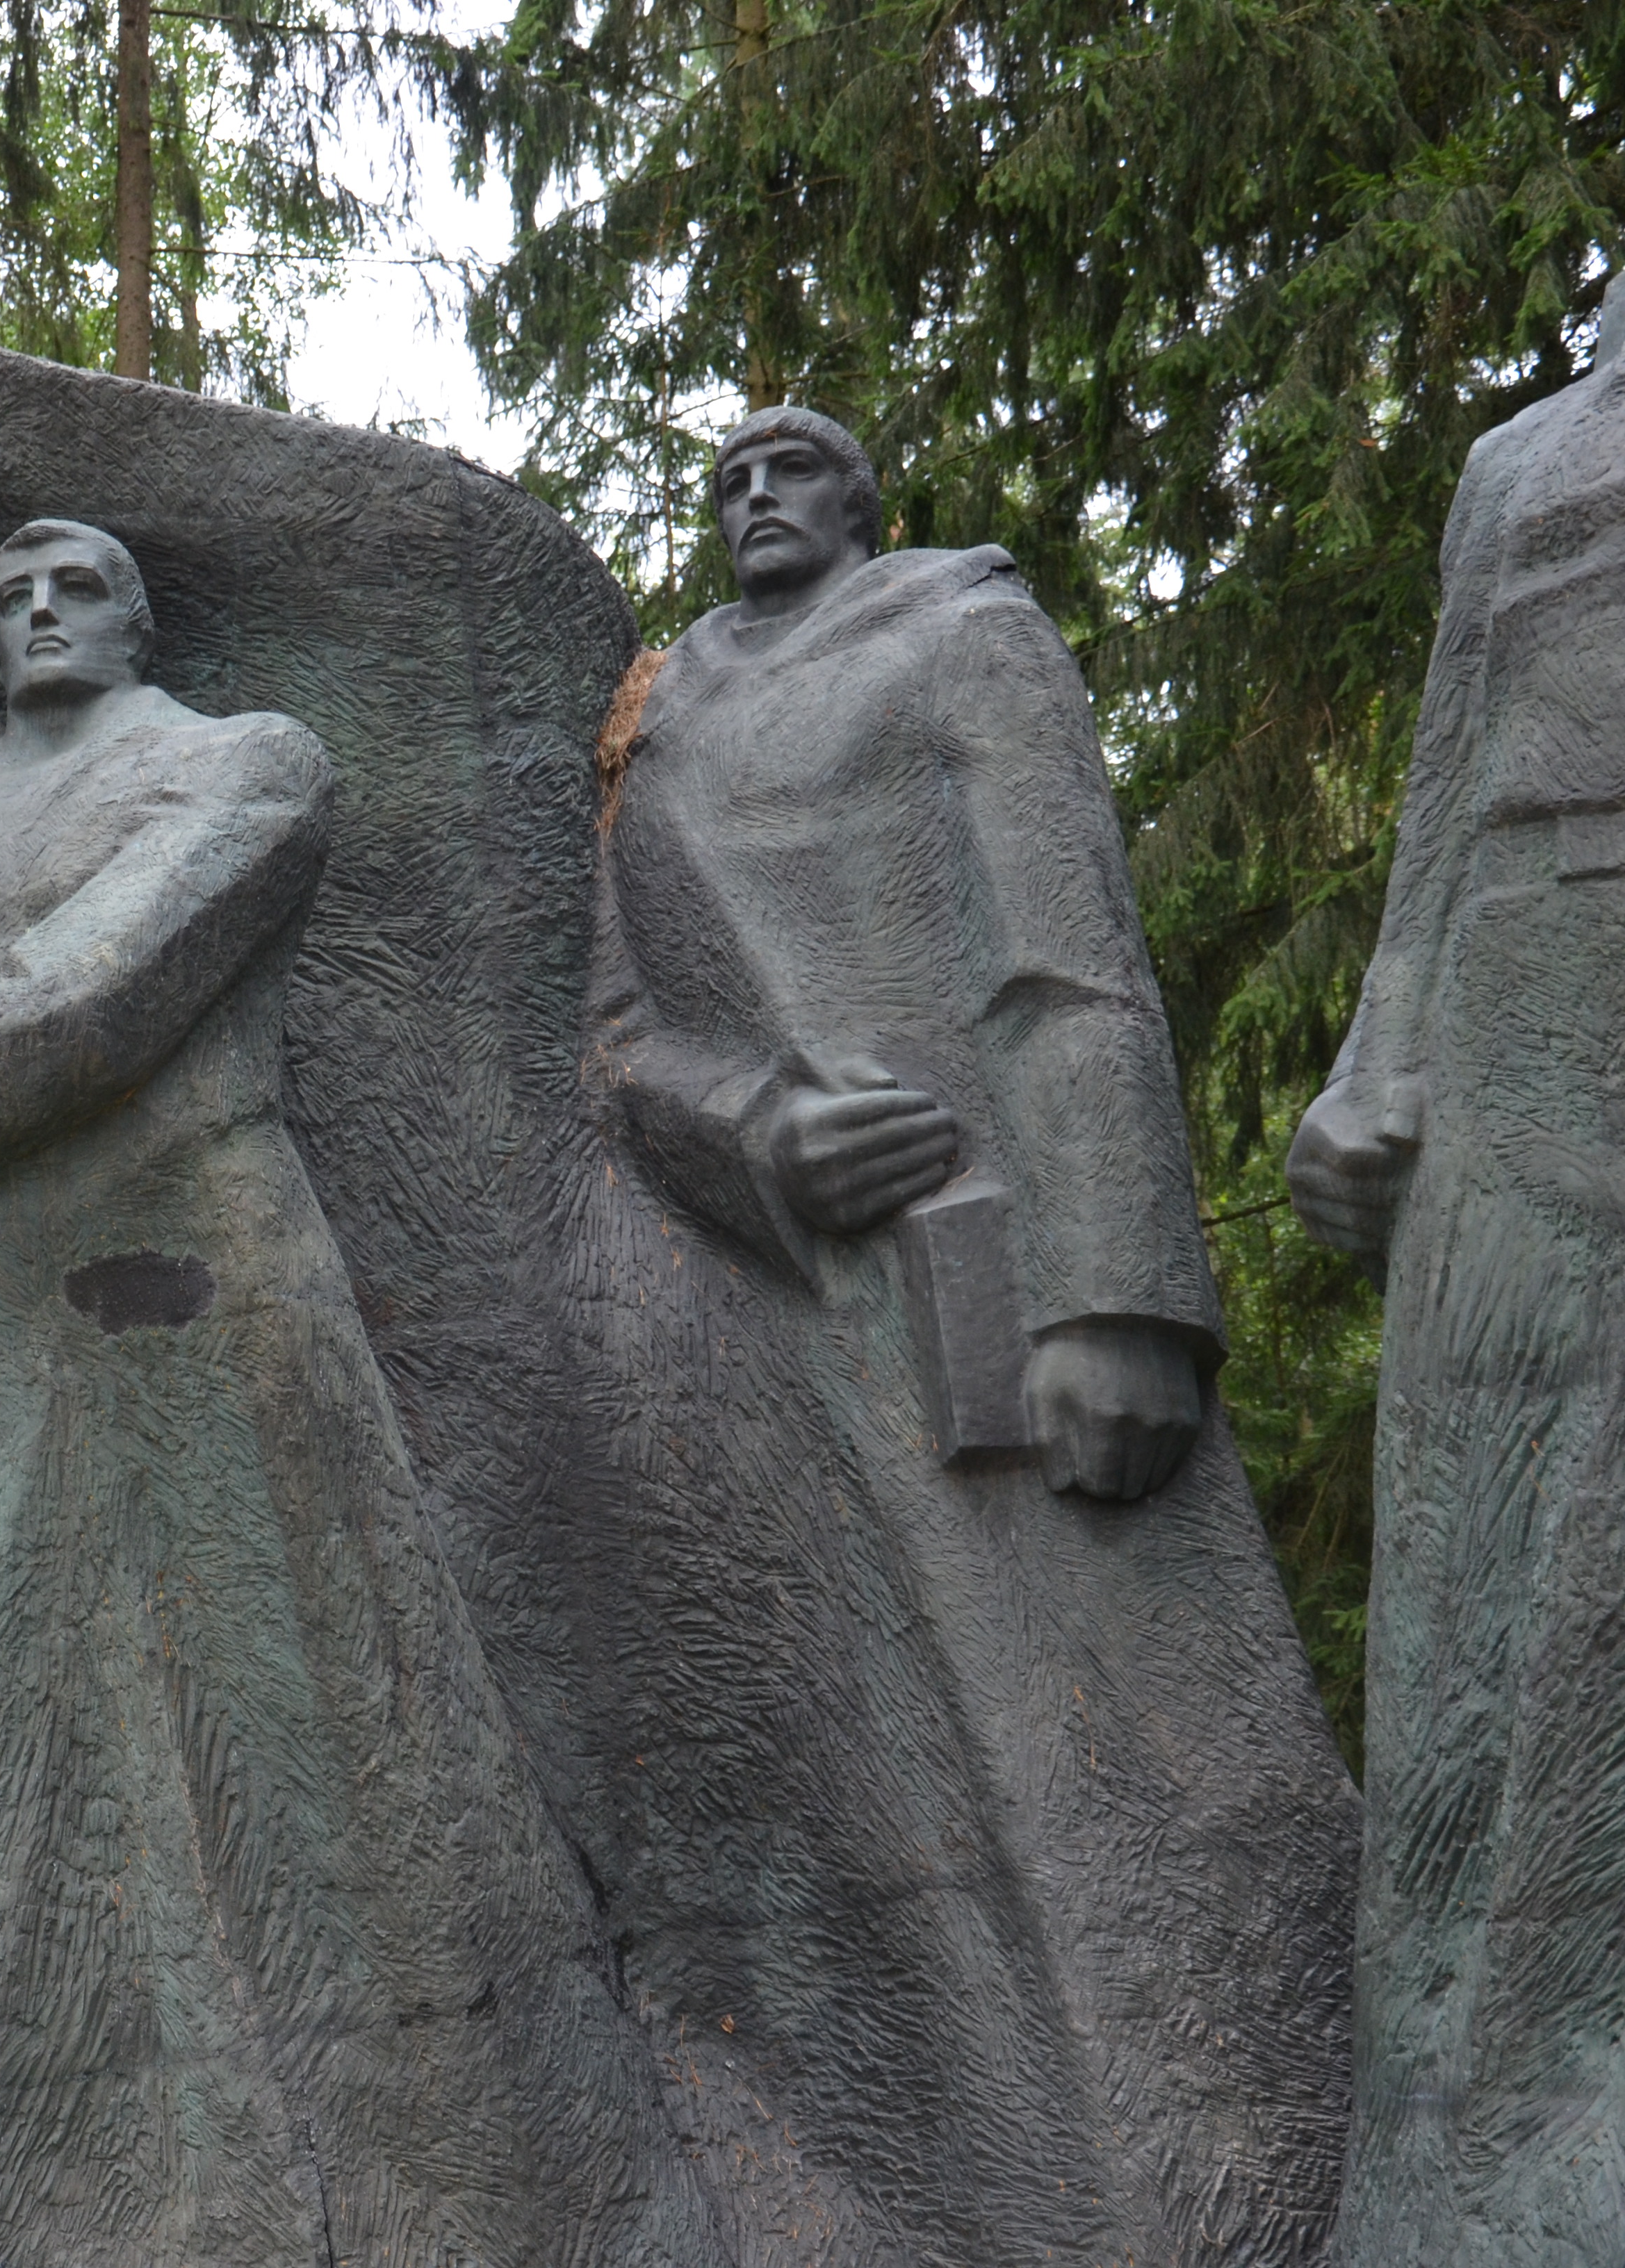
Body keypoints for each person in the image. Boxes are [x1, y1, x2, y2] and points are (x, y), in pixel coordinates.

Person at [0, 520, 729, 2268]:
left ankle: (458, 2197)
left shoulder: (245, 768)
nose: (40, 612)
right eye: (10, 597)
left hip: (186, 1297)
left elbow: (90, 1002)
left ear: (140, 622)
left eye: (77, 588)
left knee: (297, 1743)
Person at [557, 406, 1357, 2262]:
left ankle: (1254, 2183)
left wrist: (1124, 1298)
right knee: (868, 1812)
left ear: (862, 502)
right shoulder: (653, 726)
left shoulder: (963, 635)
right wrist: (752, 1129)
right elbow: (611, 1037)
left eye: (795, 467)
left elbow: (1068, 966)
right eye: (729, 477)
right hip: (761, 1318)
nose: (757, 494)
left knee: (1146, 1763)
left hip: (1013, 1290)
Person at [1287, 330, 1624, 2268]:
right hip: (1514, 972)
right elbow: (1433, 801)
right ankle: (1434, 2153)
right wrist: (1376, 1058)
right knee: (1466, 1552)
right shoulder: (1516, 463)